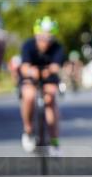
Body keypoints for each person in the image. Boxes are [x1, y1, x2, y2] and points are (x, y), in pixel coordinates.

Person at [18, 16, 65, 154]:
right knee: (29, 96)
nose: (45, 41)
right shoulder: (28, 45)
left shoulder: (57, 47)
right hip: (31, 78)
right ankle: (28, 130)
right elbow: (24, 67)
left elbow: (56, 66)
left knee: (50, 100)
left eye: (48, 38)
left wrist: (48, 71)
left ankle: (54, 141)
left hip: (48, 78)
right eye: (42, 37)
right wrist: (31, 71)